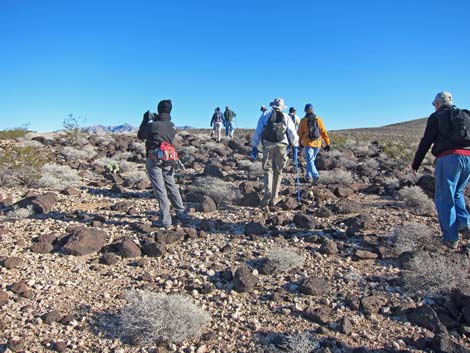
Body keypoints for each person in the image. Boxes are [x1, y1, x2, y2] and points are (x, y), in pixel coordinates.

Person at [412, 91, 470, 250]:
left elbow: (426, 141)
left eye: (434, 104)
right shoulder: (465, 114)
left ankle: (450, 239)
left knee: (444, 198)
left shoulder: (436, 117)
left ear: (437, 104)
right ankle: (465, 224)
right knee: (457, 193)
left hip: (449, 159)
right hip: (468, 157)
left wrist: (415, 164)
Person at [138, 99, 189, 228]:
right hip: (169, 159)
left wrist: (145, 120)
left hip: (154, 158)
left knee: (160, 188)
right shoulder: (172, 126)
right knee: (171, 184)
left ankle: (165, 220)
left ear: (158, 109)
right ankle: (181, 212)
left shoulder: (152, 125)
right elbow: (163, 127)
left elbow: (141, 136)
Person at [251, 98, 299, 206]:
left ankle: (267, 191)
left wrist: (254, 146)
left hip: (267, 144)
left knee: (268, 169)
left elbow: (258, 131)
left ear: (272, 105)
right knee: (278, 170)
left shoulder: (265, 115)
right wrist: (295, 146)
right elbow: (292, 133)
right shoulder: (286, 116)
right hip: (282, 145)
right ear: (282, 106)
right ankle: (274, 196)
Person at [297, 103, 331, 183]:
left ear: (305, 111)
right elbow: (323, 132)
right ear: (312, 110)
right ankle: (308, 176)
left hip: (308, 143)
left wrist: (299, 143)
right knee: (311, 161)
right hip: (317, 143)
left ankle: (315, 176)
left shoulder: (303, 121)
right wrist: (327, 143)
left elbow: (299, 133)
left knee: (310, 161)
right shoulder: (318, 119)